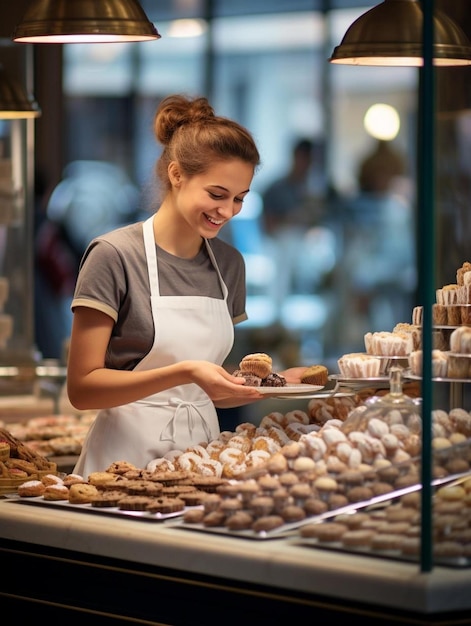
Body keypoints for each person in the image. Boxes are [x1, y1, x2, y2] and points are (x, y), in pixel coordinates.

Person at [68, 94, 304, 477]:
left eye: (240, 199)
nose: (227, 212)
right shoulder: (113, 255)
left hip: (203, 461)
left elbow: (207, 390)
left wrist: (272, 385)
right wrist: (186, 372)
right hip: (119, 467)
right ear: (177, 175)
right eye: (216, 194)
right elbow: (82, 389)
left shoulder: (229, 264)